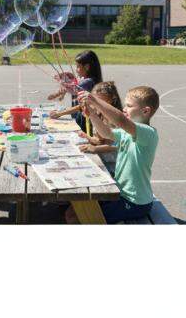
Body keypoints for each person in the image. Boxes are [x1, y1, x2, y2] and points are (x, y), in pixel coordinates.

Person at [67, 85, 160, 224]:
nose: (124, 109)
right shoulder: (126, 132)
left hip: (135, 201)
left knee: (79, 217)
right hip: (120, 193)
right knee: (72, 211)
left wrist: (94, 100)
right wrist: (91, 113)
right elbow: (106, 133)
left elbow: (121, 120)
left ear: (145, 111)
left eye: (129, 106)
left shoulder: (148, 133)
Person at [48, 49, 103, 131]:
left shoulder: (87, 82)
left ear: (87, 67)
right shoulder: (87, 80)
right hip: (84, 119)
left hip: (85, 121)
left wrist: (59, 114)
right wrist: (69, 80)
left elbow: (81, 106)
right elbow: (75, 84)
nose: (76, 70)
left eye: (78, 67)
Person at [76, 81, 122, 175]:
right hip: (102, 159)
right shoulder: (99, 114)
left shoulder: (115, 119)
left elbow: (116, 145)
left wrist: (95, 149)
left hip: (114, 165)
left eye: (101, 101)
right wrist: (87, 137)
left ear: (112, 99)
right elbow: (100, 141)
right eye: (95, 100)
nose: (97, 104)